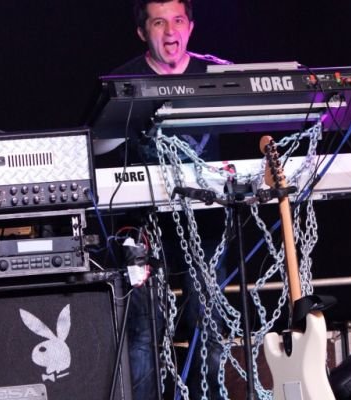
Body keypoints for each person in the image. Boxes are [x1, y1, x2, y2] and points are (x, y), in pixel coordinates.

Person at [110, 1, 231, 399]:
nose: (170, 31)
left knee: (209, 324)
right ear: (143, 32)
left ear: (190, 27)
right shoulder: (123, 81)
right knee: (144, 332)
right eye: (158, 22)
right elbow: (98, 143)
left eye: (178, 21)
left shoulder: (216, 73)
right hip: (144, 226)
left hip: (205, 223)